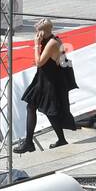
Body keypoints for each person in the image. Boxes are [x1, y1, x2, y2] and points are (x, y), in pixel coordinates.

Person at [17, 19, 78, 152]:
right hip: (44, 79)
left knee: (46, 110)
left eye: (37, 31)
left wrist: (36, 45)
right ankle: (34, 141)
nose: (36, 34)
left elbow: (39, 62)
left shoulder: (52, 43)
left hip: (48, 82)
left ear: (43, 32)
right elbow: (61, 61)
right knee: (35, 107)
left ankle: (32, 142)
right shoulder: (55, 40)